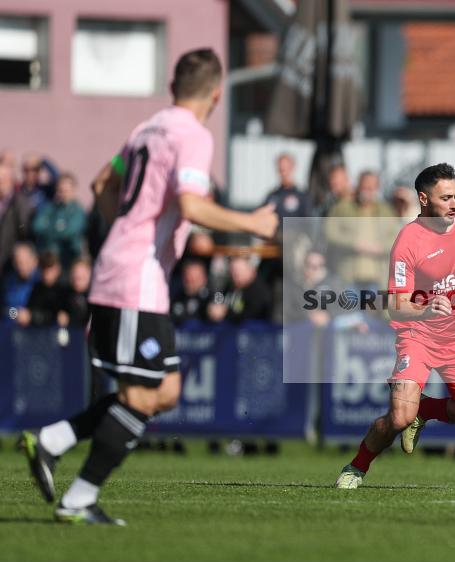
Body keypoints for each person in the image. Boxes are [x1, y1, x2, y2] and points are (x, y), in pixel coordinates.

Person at [19, 48, 278, 526]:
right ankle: (78, 498)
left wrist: (125, 231)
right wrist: (253, 224)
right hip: (135, 280)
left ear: (172, 87)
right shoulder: (192, 134)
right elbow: (193, 205)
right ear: (216, 95)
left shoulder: (147, 128)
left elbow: (101, 184)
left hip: (130, 273)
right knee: (143, 397)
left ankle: (53, 441)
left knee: (166, 391)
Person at [334, 163, 455, 489]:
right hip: (418, 335)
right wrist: (425, 310)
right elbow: (396, 306)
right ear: (424, 200)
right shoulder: (408, 241)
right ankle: (357, 466)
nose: (454, 204)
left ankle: (426, 409)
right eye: (445, 198)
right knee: (399, 417)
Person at [324, 170, 397, 291]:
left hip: (377, 277)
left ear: (377, 188)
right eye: (365, 187)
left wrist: (381, 247)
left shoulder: (386, 211)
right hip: (349, 275)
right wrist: (353, 243)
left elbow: (397, 237)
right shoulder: (343, 207)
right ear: (358, 186)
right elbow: (330, 232)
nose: (368, 191)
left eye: (372, 187)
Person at [31, 172, 87, 269]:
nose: (63, 194)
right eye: (60, 190)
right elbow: (37, 226)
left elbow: (69, 232)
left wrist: (49, 227)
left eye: (66, 191)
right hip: (48, 260)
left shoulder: (78, 211)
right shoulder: (50, 208)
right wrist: (58, 228)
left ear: (73, 190)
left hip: (68, 260)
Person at [207, 255, 272, 323]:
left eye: (239, 271)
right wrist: (213, 306)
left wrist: (225, 312)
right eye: (233, 271)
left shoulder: (259, 292)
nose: (235, 275)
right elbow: (219, 295)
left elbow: (249, 315)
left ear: (251, 271)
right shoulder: (231, 285)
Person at [15, 252, 68, 328]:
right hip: (35, 332)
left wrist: (32, 316)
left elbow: (59, 316)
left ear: (58, 269)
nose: (47, 272)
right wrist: (19, 315)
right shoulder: (36, 288)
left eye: (50, 268)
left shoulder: (64, 290)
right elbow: (12, 311)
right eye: (44, 267)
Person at [0, 163, 34, 273]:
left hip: (10, 259)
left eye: (2, 181)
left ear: (10, 181)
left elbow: (24, 228)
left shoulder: (20, 202)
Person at [170, 259, 212, 324]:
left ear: (204, 278)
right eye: (188, 277)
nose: (191, 281)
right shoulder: (176, 297)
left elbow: (220, 298)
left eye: (196, 278)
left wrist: (217, 307)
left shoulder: (210, 297)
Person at [2, 242, 39, 314]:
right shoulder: (9, 282)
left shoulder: (43, 281)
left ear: (35, 261)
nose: (22, 267)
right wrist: (16, 314)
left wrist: (32, 316)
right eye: (18, 262)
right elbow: (5, 308)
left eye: (26, 262)